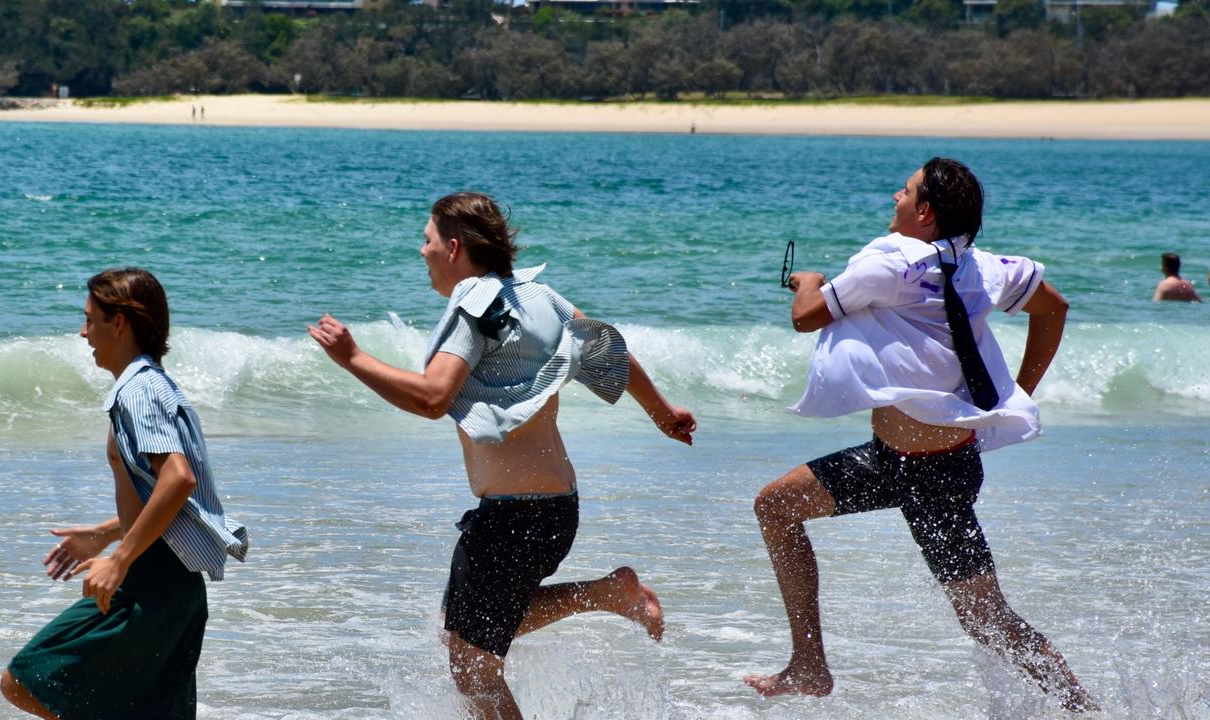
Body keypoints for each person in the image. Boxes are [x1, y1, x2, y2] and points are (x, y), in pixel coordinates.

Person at [309, 192, 696, 720]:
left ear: (452, 247)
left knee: (471, 664)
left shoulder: (475, 306)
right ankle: (609, 593)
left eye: (425, 242)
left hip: (514, 516)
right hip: (557, 509)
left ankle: (609, 595)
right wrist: (662, 412)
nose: (420, 252)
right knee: (467, 628)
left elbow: (431, 397)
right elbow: (609, 351)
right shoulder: (539, 297)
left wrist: (351, 357)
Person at [745, 158, 1096, 712]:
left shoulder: (888, 267)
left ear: (925, 212)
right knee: (776, 506)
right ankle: (809, 664)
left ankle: (1084, 709)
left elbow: (808, 315)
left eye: (904, 193)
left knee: (987, 622)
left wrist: (807, 281)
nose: (895, 197)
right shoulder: (982, 267)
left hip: (936, 478)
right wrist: (1014, 396)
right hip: (891, 462)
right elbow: (1054, 307)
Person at [1, 268, 248, 719]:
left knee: (26, 679)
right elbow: (172, 494)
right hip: (176, 585)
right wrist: (108, 533)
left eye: (91, 320)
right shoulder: (155, 384)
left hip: (152, 581)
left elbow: (178, 479)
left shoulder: (137, 391)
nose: (83, 332)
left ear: (120, 323)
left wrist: (120, 558)